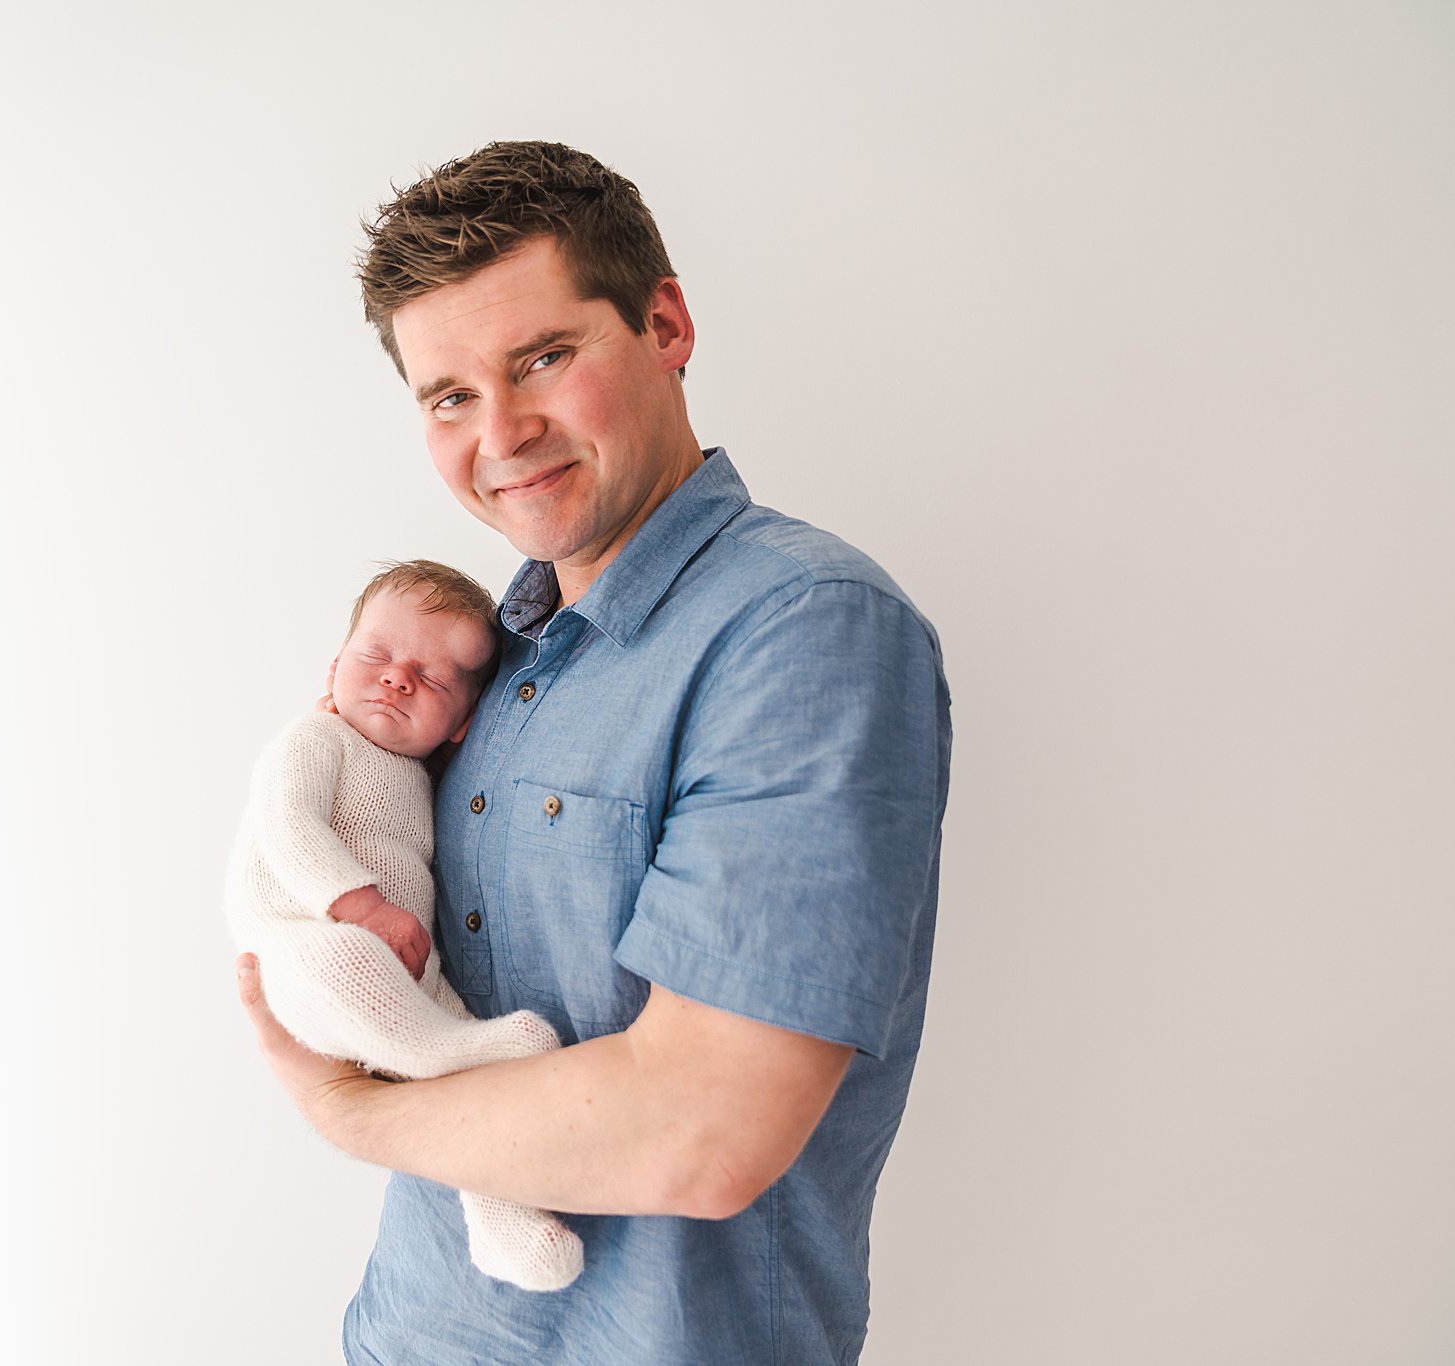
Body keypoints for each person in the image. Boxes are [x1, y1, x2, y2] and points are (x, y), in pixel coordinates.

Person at [235, 140, 953, 1366]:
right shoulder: (484, 664)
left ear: (664, 322)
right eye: (448, 395)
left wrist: (345, 1105)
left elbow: (701, 1131)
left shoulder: (804, 632)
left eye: (543, 359)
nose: (500, 432)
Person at [226, 560, 585, 1292]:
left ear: (462, 726)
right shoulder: (316, 738)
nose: (397, 680)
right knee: (351, 968)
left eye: (434, 679)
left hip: (400, 966)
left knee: (447, 1032)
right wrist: (359, 906)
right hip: (302, 942)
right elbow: (285, 822)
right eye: (377, 656)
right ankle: (456, 1055)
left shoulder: (422, 782)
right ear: (335, 666)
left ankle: (503, 1221)